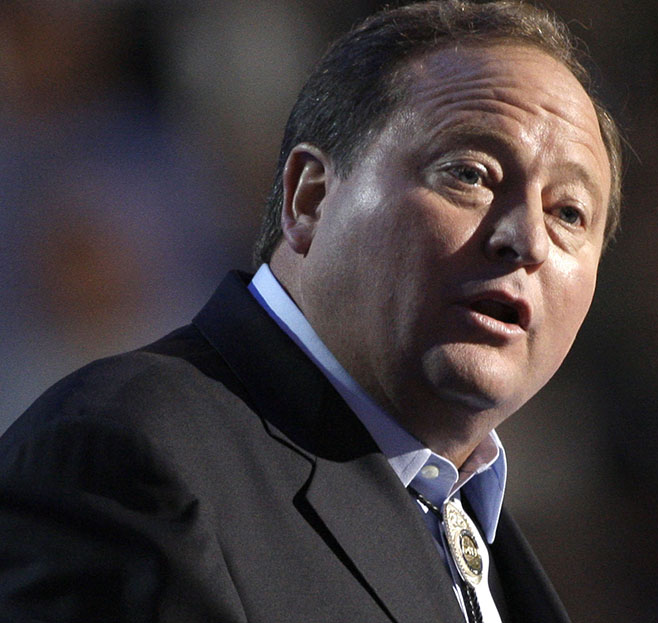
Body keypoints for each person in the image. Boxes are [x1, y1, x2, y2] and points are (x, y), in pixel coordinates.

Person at [0, 1, 622, 621]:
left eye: (568, 212)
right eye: (469, 174)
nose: (528, 239)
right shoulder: (127, 455)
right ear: (312, 198)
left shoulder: (479, 530)